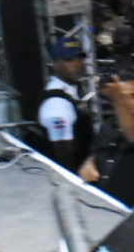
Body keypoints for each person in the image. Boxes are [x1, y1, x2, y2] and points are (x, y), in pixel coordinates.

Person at [79, 68, 134, 207]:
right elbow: (96, 152)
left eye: (133, 96)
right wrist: (89, 163)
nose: (128, 102)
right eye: (122, 96)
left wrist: (118, 100)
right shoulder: (107, 126)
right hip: (105, 205)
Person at [37, 36, 93, 173]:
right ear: (56, 64)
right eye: (70, 60)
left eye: (79, 58)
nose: (77, 64)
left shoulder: (70, 91)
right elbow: (64, 158)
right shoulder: (57, 104)